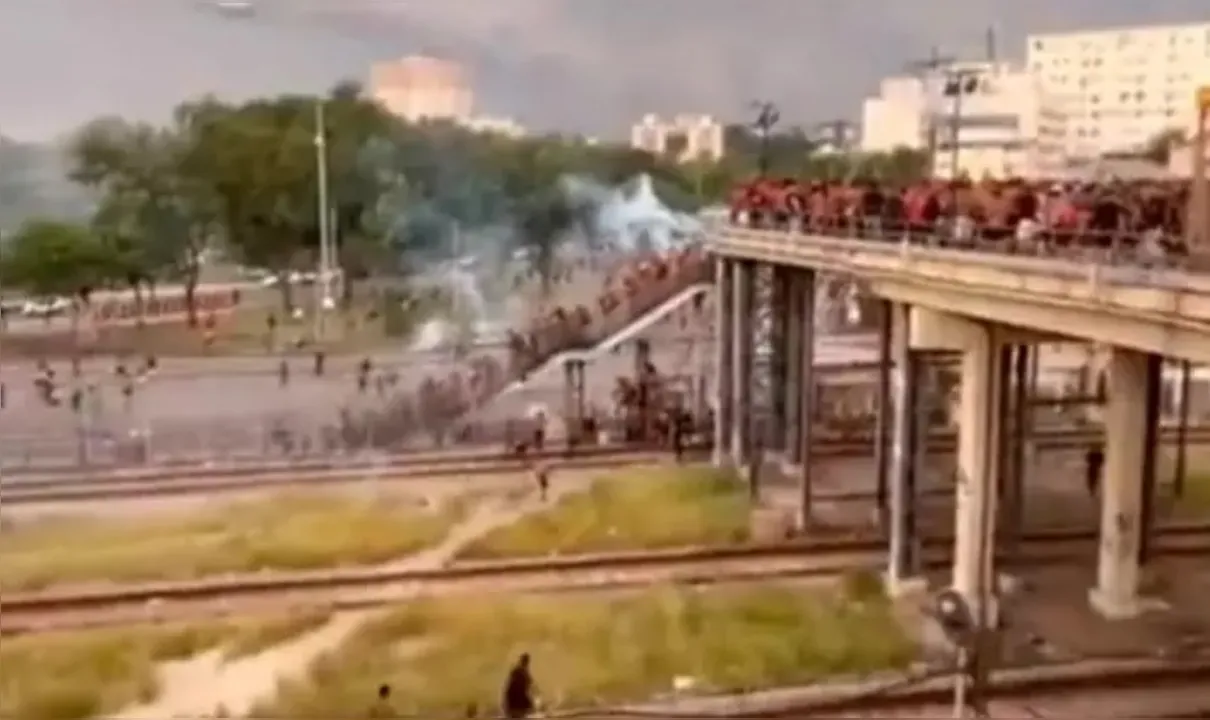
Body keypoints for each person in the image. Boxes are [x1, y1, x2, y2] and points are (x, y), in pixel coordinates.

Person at [502, 653, 536, 719]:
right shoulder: (521, 671)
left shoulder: (520, 671)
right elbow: (528, 683)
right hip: (516, 698)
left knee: (518, 713)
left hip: (514, 698)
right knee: (519, 713)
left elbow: (529, 683)